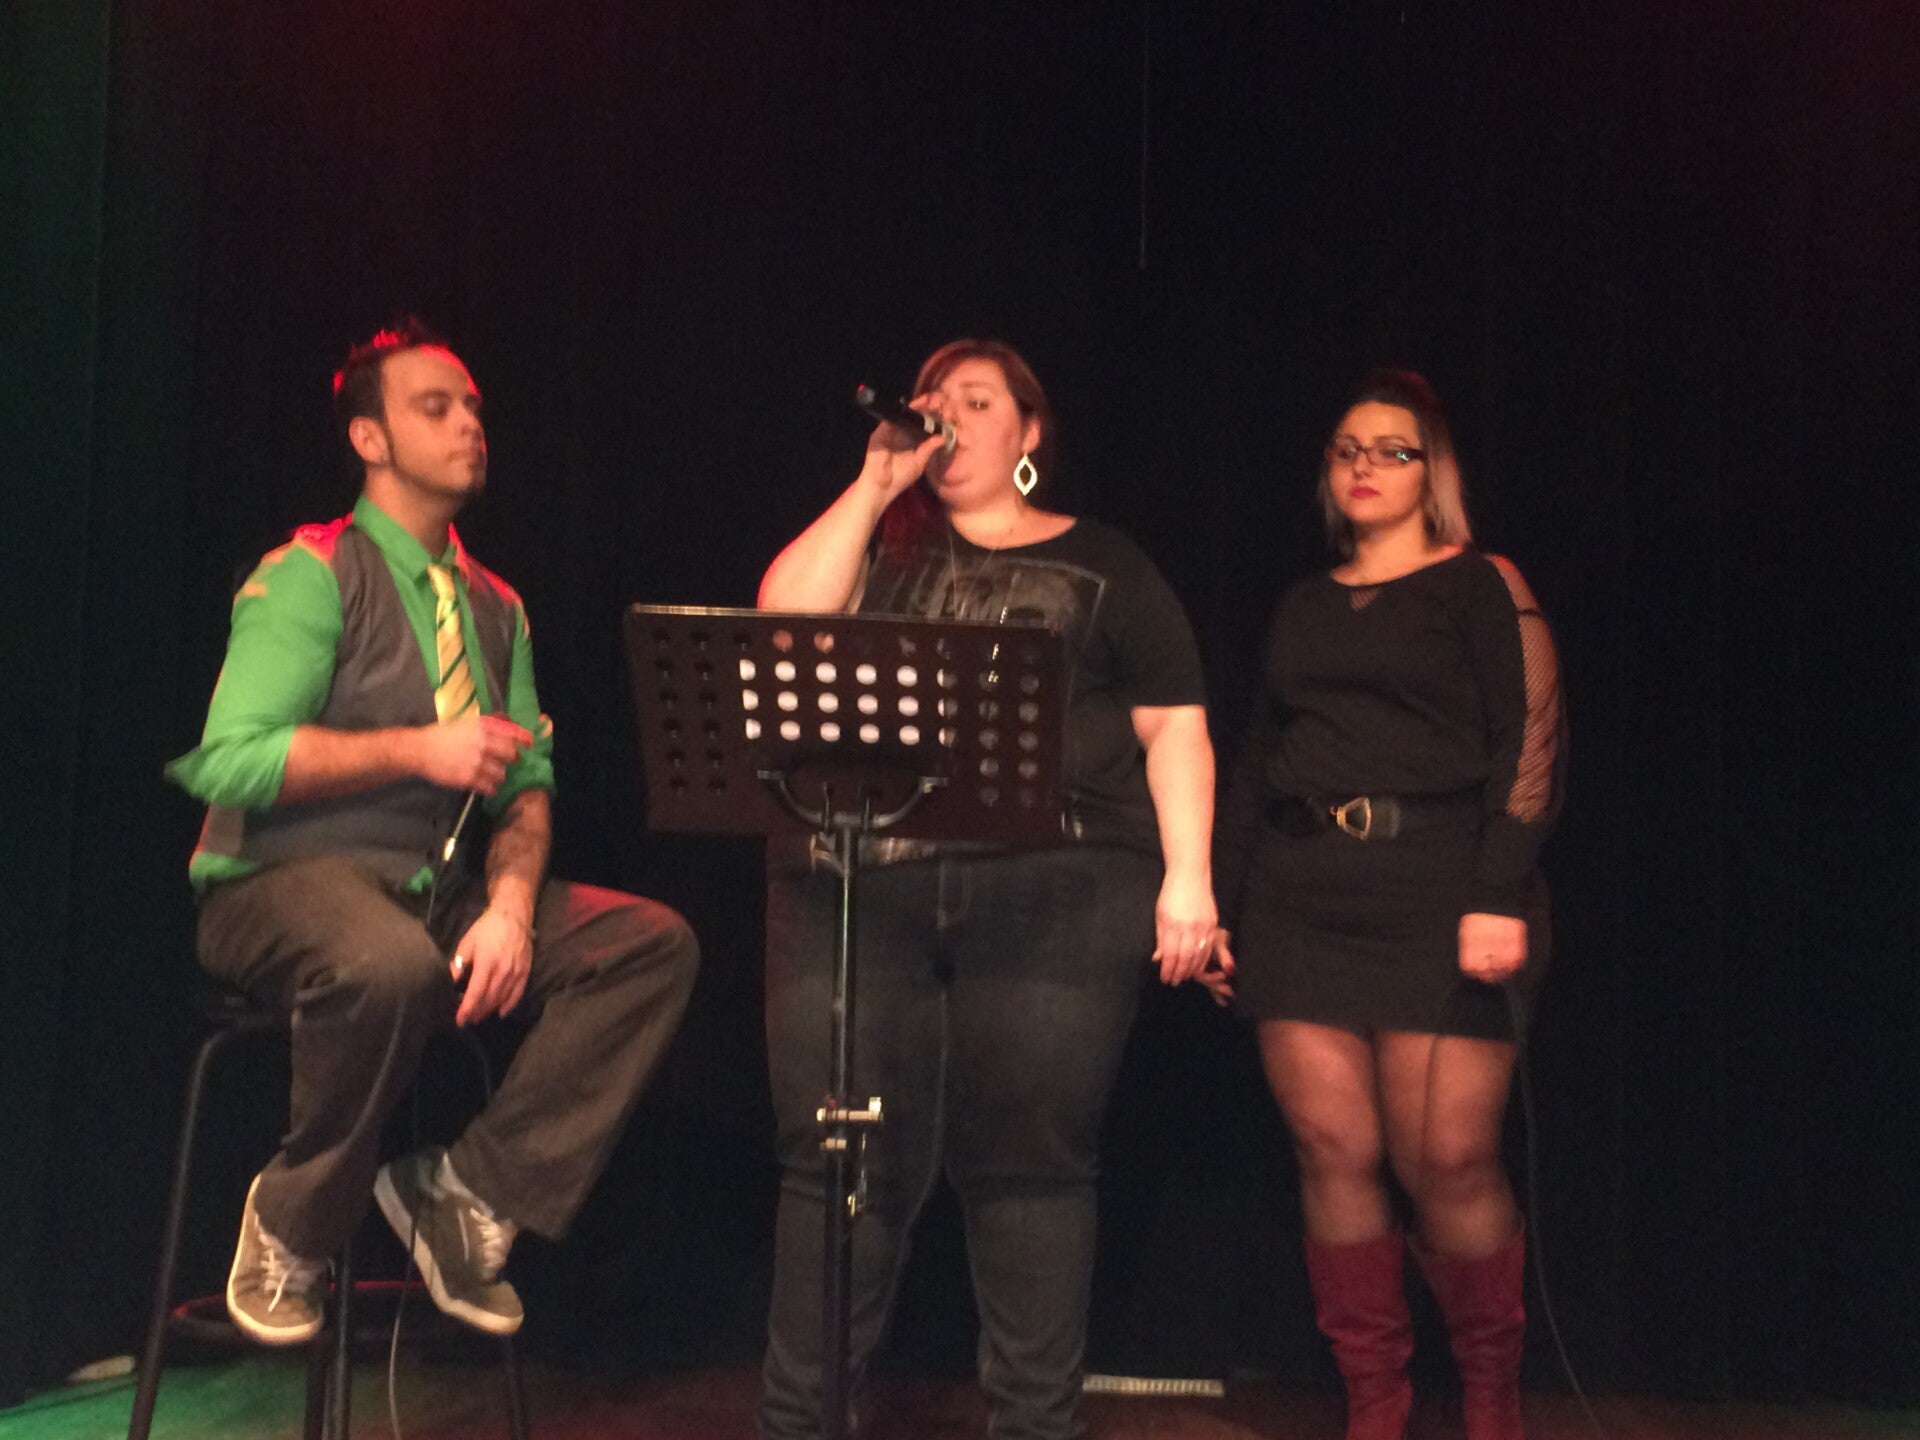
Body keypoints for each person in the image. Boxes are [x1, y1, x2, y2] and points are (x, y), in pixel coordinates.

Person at [165, 320, 699, 1346]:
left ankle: (467, 1196)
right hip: (278, 880)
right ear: (369, 439)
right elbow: (227, 761)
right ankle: (292, 1222)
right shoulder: (313, 572)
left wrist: (511, 908)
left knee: (648, 947)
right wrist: (418, 749)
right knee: (390, 965)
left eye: (473, 409)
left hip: (432, 893)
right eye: (436, 407)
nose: (470, 426)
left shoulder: (498, 607)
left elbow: (525, 785)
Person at [755, 339, 1219, 1439]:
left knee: (1030, 1163)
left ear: (1029, 431)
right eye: (934, 401)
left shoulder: (1106, 561)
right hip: (863, 882)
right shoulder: (879, 544)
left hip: (1059, 885)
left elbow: (1174, 727)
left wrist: (1189, 879)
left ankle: (1034, 1426)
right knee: (837, 1160)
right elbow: (784, 623)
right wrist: (875, 483)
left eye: (976, 400)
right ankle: (800, 1422)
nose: (949, 417)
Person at [1213, 370, 1563, 1440]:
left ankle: (1491, 1395)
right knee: (1333, 1152)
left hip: (1443, 889)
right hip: (1300, 898)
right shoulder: (1303, 603)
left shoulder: (1481, 583)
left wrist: (1496, 892)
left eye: (1392, 450)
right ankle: (1376, 1403)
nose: (1364, 466)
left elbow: (1531, 739)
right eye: (1347, 449)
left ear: (1432, 471)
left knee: (1445, 1159)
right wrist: (1222, 904)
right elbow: (1258, 756)